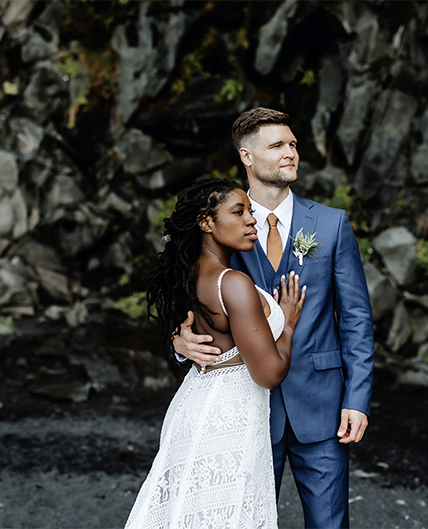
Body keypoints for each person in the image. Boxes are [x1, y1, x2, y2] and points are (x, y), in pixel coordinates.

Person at [174, 108, 375, 529]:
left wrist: (356, 399)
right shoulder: (223, 223)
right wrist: (179, 341)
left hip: (322, 407)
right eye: (278, 146)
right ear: (247, 157)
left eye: (294, 145)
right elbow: (194, 298)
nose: (291, 153)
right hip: (246, 408)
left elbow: (356, 317)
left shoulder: (331, 224)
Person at [125, 177, 306, 528]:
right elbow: (268, 374)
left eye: (250, 211)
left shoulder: (190, 275)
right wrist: (287, 326)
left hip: (196, 403)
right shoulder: (232, 283)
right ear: (206, 223)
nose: (251, 220)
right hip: (226, 417)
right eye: (238, 212)